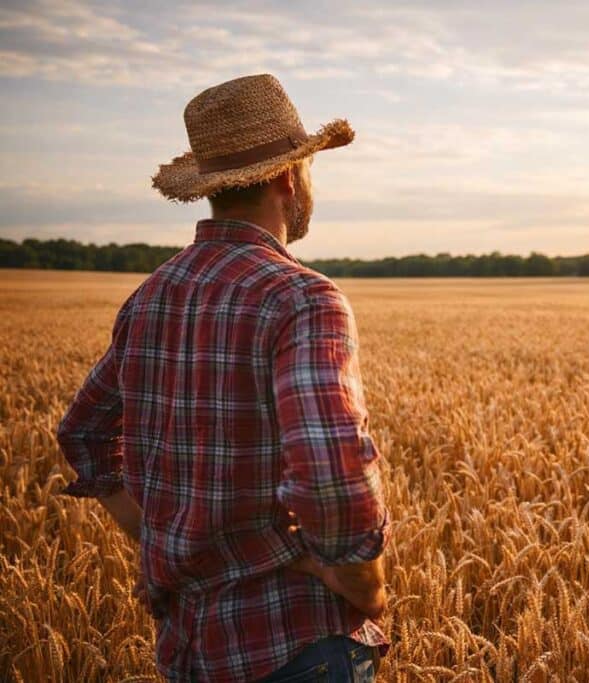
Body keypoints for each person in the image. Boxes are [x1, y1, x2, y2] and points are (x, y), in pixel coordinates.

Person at [55, 73, 393, 682]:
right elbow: (329, 467)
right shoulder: (302, 297)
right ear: (290, 178)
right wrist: (362, 583)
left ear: (211, 189)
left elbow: (82, 433)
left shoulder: (150, 296)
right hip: (294, 646)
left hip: (189, 650)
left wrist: (162, 538)